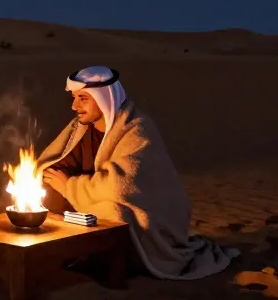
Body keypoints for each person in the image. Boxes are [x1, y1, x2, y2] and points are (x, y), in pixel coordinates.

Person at [38, 66, 237, 280]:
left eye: (83, 98)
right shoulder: (81, 128)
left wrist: (69, 186)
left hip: (150, 214)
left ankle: (111, 266)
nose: (74, 106)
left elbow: (120, 187)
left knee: (114, 214)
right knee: (44, 196)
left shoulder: (137, 129)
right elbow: (57, 162)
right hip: (96, 198)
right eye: (74, 98)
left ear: (105, 98)